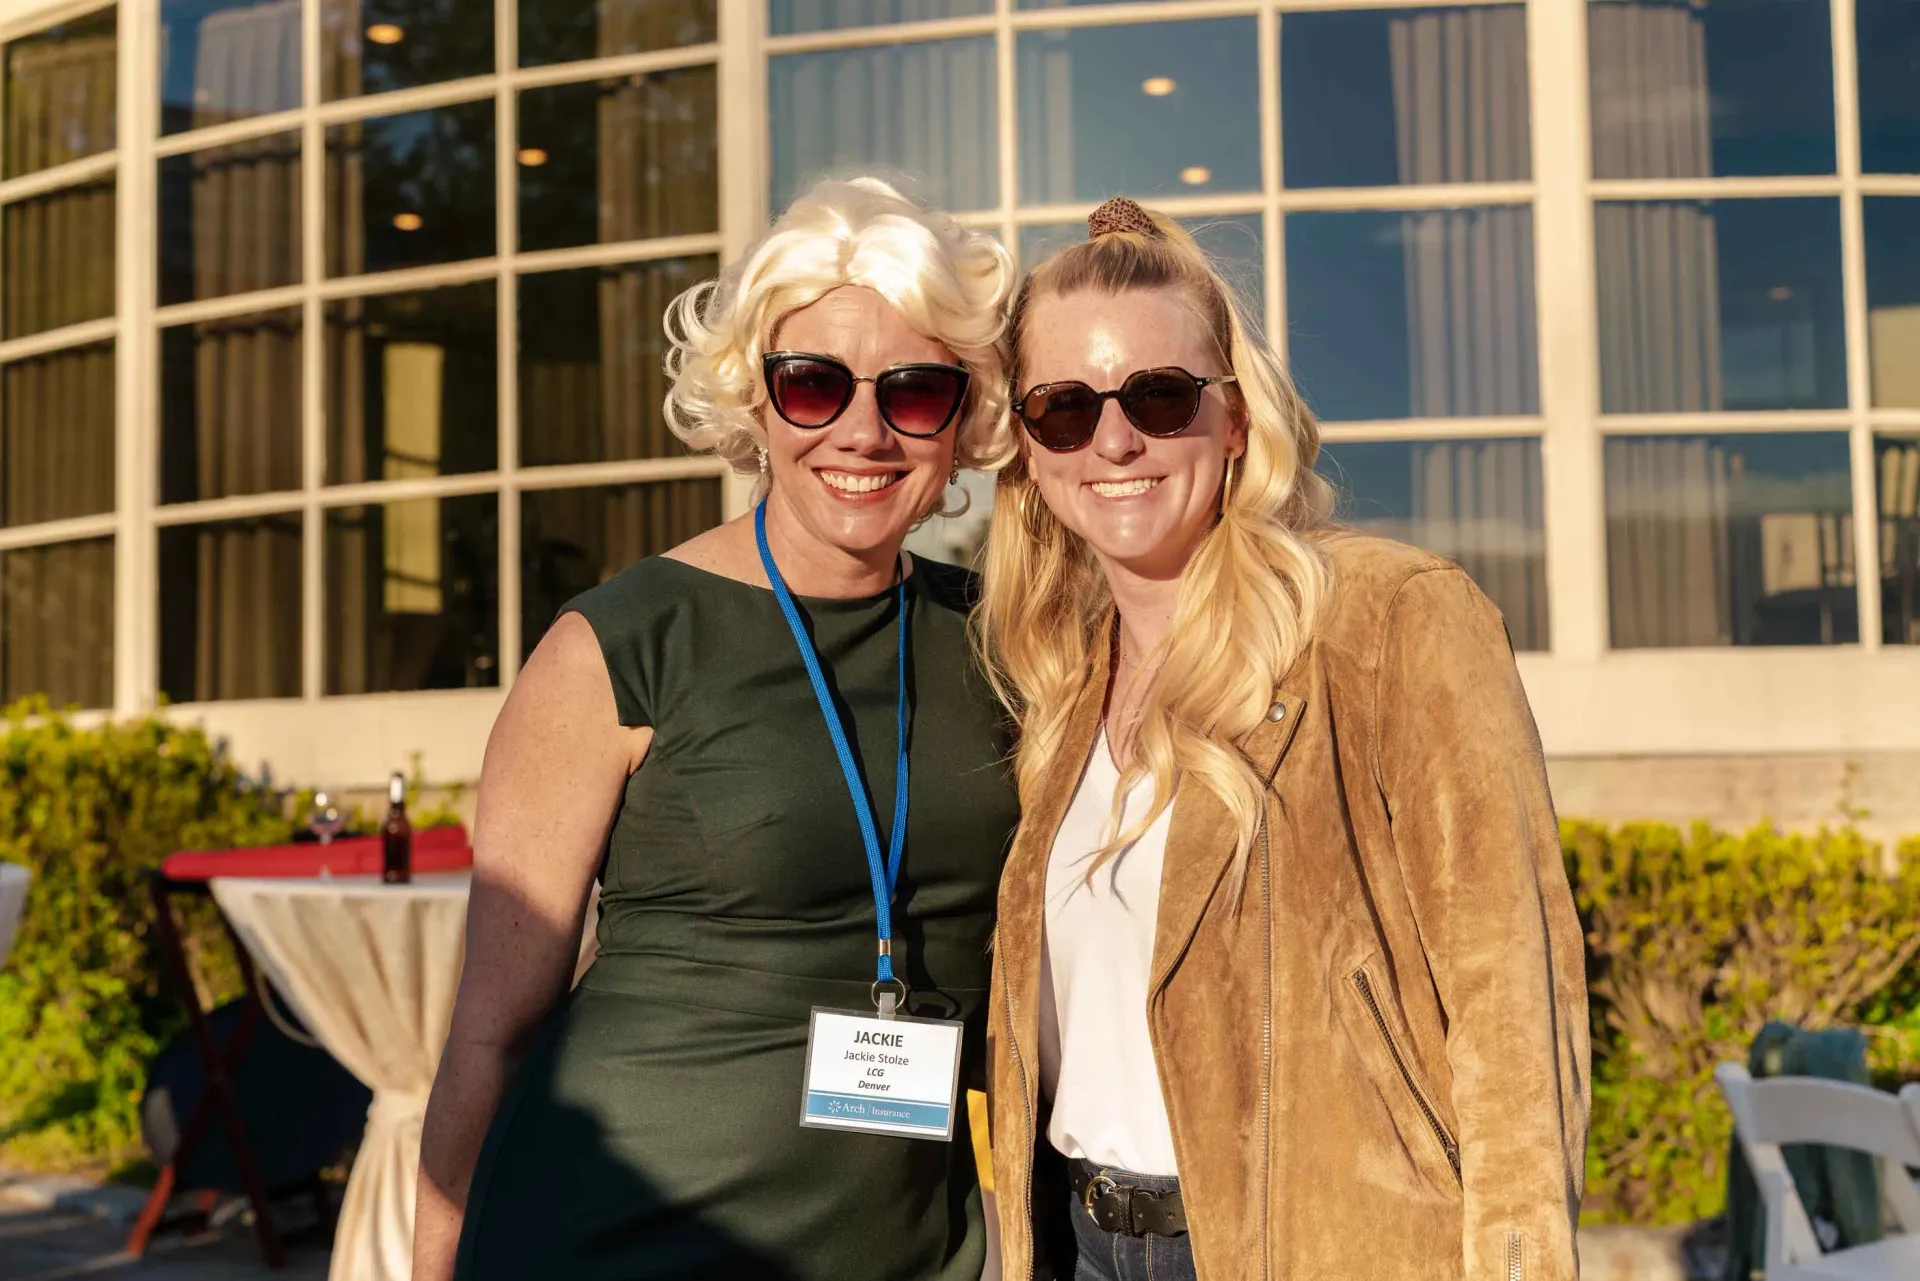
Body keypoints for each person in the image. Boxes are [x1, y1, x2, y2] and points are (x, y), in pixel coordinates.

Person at [413, 177, 1021, 1281]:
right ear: (755, 402)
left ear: (962, 419)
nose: (863, 431)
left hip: (901, 1253)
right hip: (614, 1240)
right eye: (813, 384)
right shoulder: (622, 641)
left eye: (916, 392)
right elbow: (489, 1031)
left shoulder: (1002, 644)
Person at [974, 197, 1589, 1281]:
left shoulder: (1391, 621)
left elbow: (1512, 1011)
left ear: (1234, 418)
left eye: (1159, 396)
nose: (1114, 440)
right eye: (1064, 408)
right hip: (1083, 1244)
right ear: (1028, 447)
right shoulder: (1061, 690)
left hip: (1323, 1247)